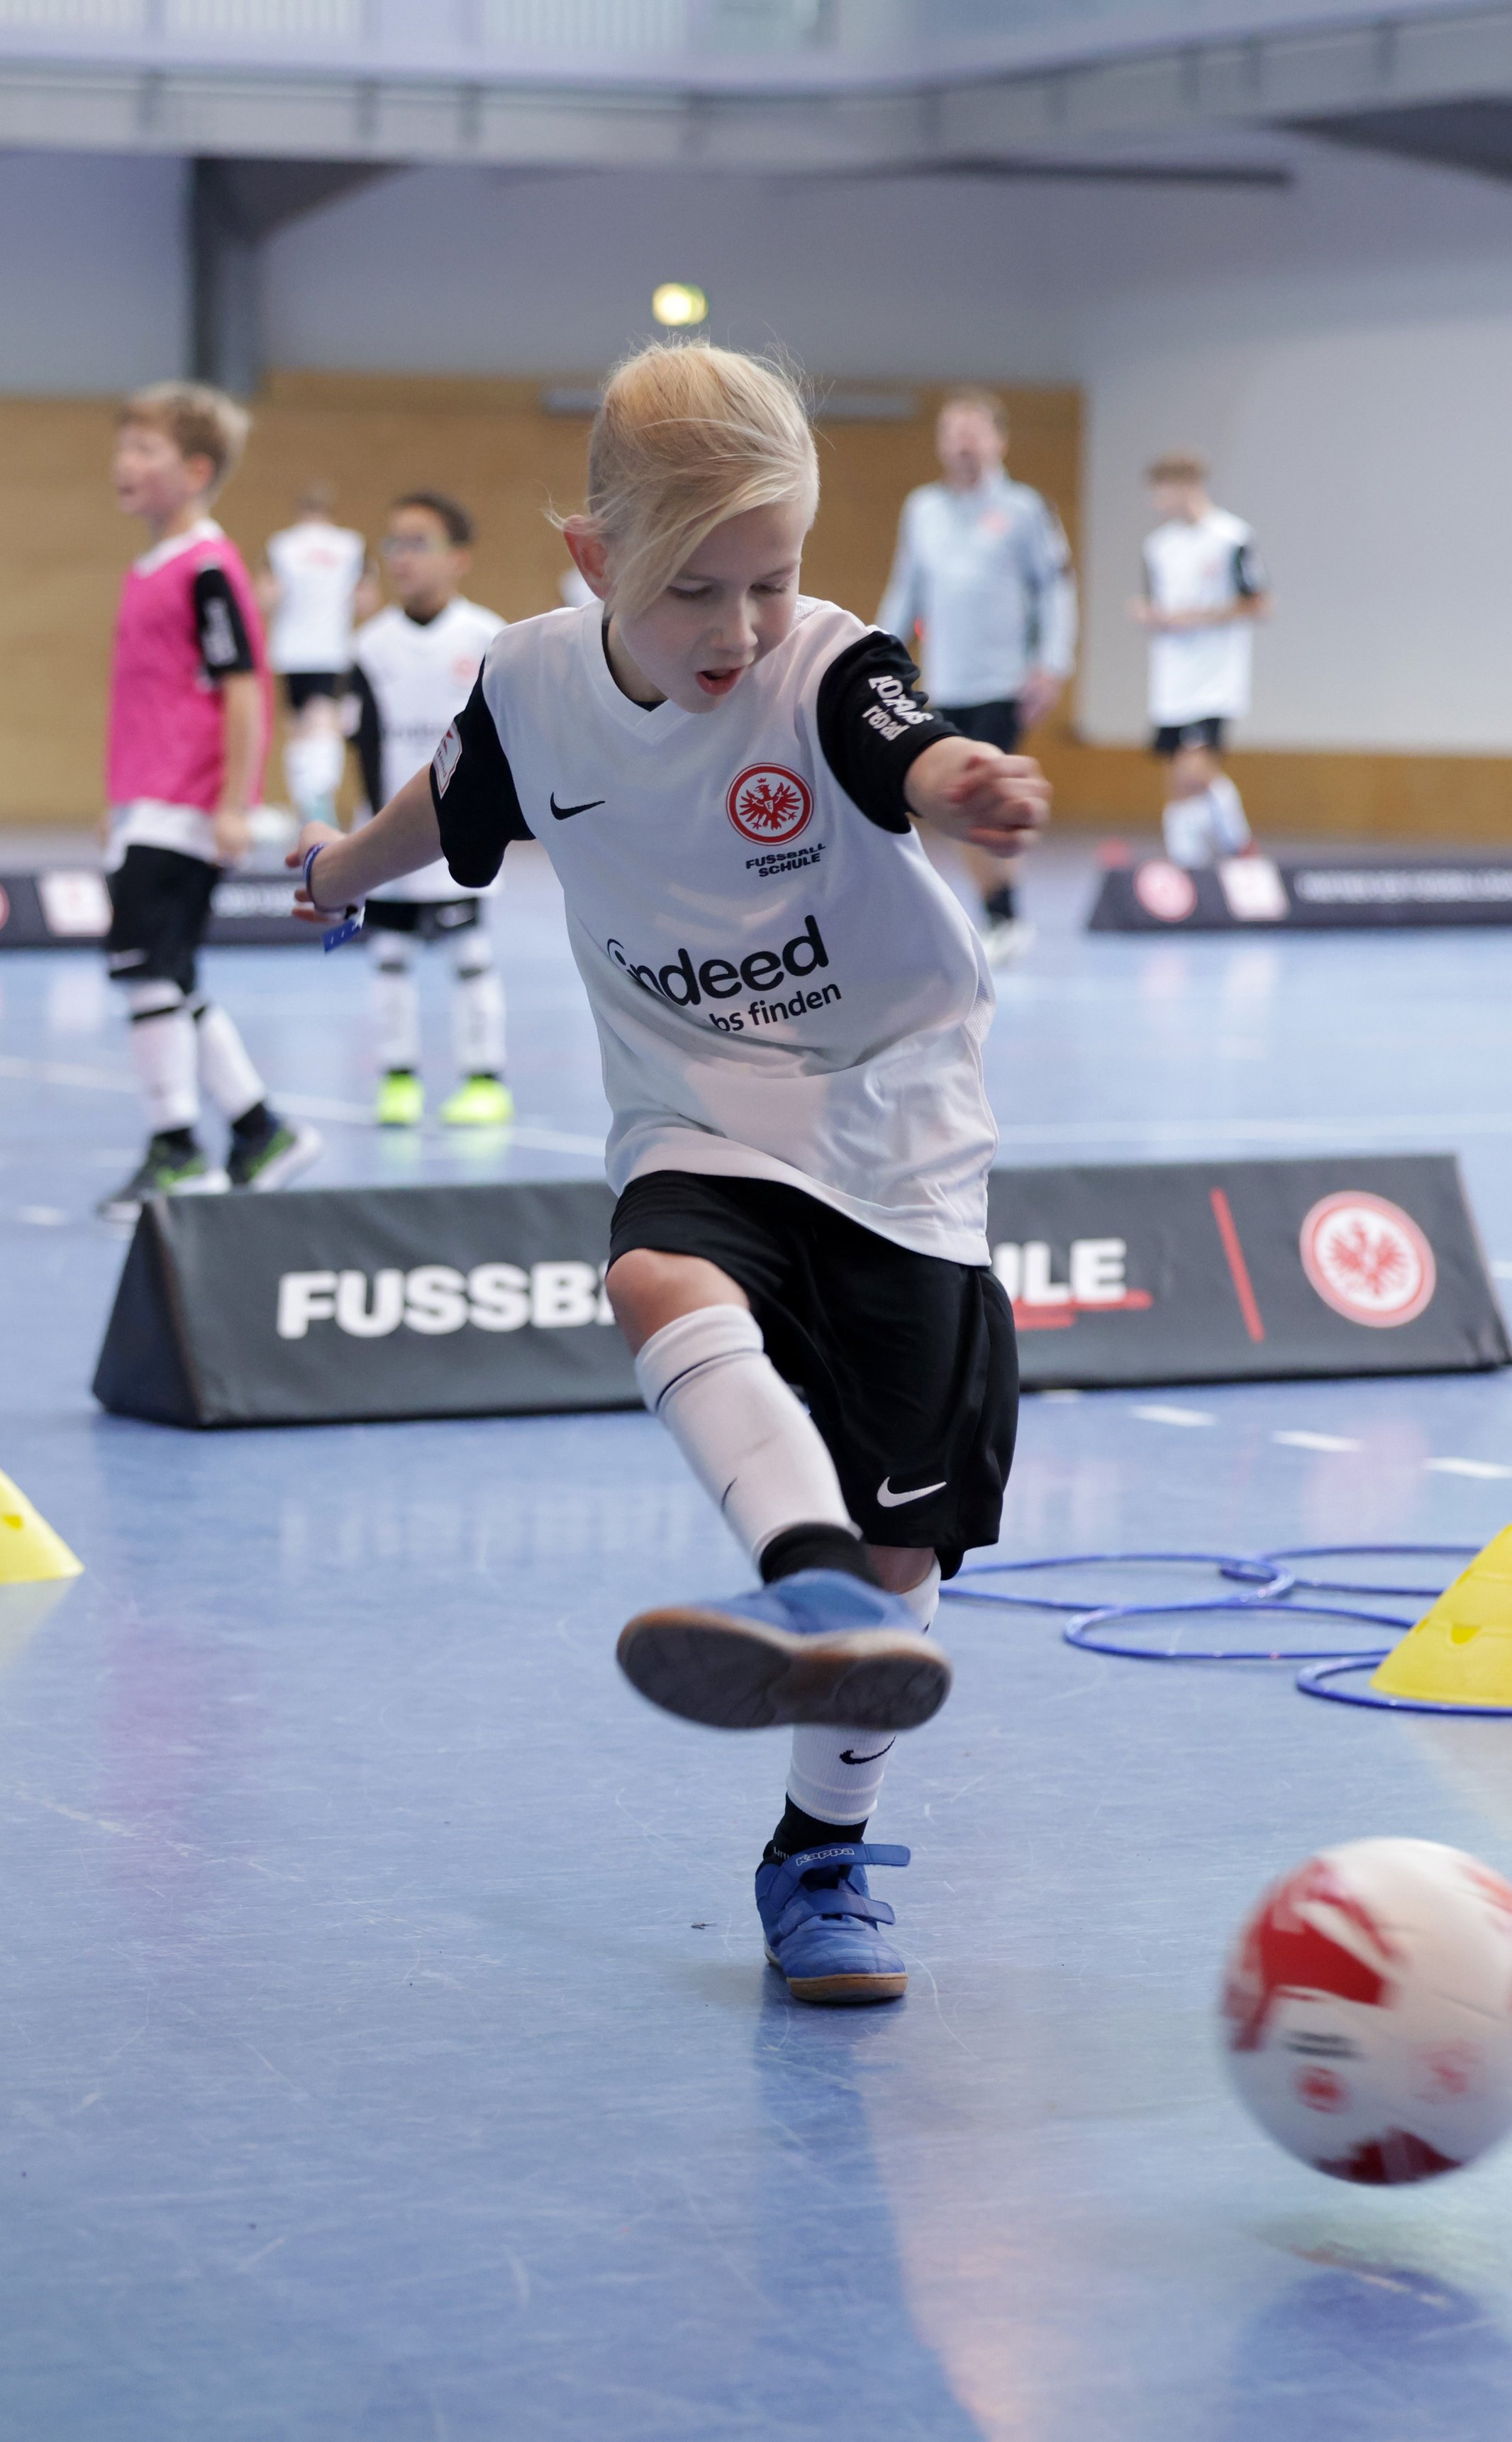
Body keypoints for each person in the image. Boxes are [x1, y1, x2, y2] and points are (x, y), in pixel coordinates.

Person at [292, 342, 1047, 2007]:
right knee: (653, 1272)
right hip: (694, 1103)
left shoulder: (827, 665)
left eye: (771, 578)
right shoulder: (529, 684)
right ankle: (798, 1564)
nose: (741, 627)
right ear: (592, 559)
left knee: (907, 1565)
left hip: (893, 1122)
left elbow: (903, 741)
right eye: (695, 589)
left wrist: (964, 780)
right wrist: (338, 868)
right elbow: (450, 800)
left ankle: (818, 1847)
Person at [99, 382, 321, 1224]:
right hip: (144, 801)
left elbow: (244, 689)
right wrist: (117, 801)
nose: (124, 462)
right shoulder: (148, 568)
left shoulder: (206, 568)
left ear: (195, 470)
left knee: (145, 968)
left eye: (145, 448)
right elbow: (143, 699)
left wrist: (234, 802)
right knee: (167, 973)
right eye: (124, 445)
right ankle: (261, 1132)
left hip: (186, 802)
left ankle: (178, 1151)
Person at [877, 388, 1074, 965]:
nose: (963, 443)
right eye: (953, 432)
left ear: (999, 441)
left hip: (1004, 683)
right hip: (947, 681)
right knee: (962, 805)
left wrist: (1052, 663)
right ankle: (1004, 914)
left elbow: (1056, 590)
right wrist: (875, 654)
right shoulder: (921, 509)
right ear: (941, 443)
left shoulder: (1026, 509)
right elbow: (906, 588)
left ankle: (1003, 917)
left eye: (974, 431)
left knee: (974, 797)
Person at [341, 492, 510, 1128]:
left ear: (459, 557)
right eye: (394, 544)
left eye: (419, 543)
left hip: (462, 831)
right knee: (389, 955)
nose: (402, 558)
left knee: (470, 956)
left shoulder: (488, 638)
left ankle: (484, 1080)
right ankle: (398, 1079)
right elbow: (362, 745)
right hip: (390, 832)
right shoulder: (369, 647)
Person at [1133, 452, 1269, 867]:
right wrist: (1151, 615)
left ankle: (1238, 843)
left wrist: (1195, 618)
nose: (1159, 501)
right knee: (1178, 779)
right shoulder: (1158, 546)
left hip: (1215, 676)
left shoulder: (1231, 537)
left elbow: (1259, 603)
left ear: (1188, 486)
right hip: (1172, 678)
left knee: (1196, 770)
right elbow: (1156, 602)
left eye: (1164, 490)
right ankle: (1186, 864)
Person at [258, 481, 369, 828]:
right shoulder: (351, 546)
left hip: (290, 652)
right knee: (325, 725)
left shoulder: (281, 546)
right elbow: (366, 600)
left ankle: (307, 807)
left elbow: (267, 597)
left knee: (297, 731)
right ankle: (321, 805)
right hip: (332, 649)